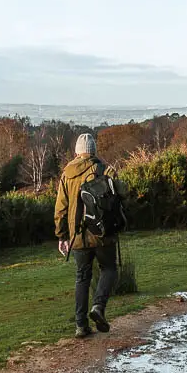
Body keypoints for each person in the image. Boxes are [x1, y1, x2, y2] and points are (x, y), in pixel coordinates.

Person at [54, 133, 118, 338]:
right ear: (93, 151)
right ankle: (98, 306)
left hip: (78, 236)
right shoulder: (104, 170)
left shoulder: (66, 173)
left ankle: (81, 326)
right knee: (109, 269)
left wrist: (62, 236)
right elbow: (116, 201)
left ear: (76, 151)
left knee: (82, 277)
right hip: (101, 233)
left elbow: (60, 209)